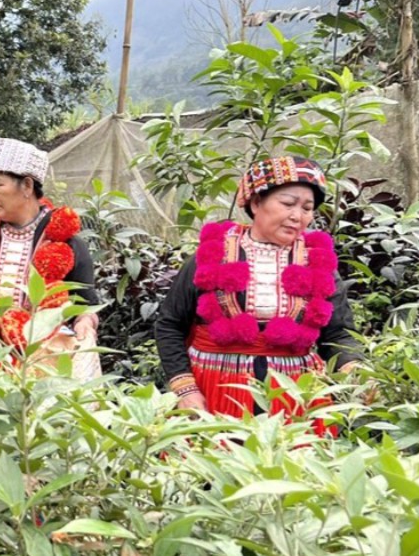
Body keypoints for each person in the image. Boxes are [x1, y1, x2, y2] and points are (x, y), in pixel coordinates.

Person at [153, 155, 362, 425]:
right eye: (287, 203)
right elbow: (170, 324)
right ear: (256, 202)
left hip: (293, 394)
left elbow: (338, 332)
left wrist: (355, 370)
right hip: (215, 391)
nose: (297, 216)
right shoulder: (211, 255)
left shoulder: (318, 263)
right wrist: (185, 389)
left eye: (308, 208)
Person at [0, 138, 101, 381]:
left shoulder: (69, 245)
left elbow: (86, 305)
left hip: (43, 365)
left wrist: (85, 324)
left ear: (27, 186)